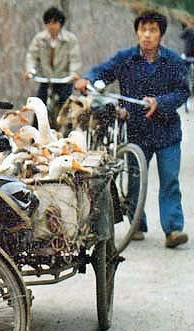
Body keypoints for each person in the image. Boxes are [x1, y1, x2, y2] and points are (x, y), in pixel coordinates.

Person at [74, 10, 189, 248]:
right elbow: (103, 71)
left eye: (152, 30)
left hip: (167, 131)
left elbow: (182, 91)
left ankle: (173, 229)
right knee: (135, 181)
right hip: (137, 130)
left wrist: (160, 102)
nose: (147, 35)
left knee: (170, 181)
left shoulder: (172, 61)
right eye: (143, 30)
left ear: (161, 35)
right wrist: (88, 78)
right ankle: (137, 223)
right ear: (137, 32)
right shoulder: (125, 58)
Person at [24, 6, 82, 110]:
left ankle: (65, 120)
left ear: (60, 23)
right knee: (39, 105)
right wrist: (30, 71)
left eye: (54, 22)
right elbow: (32, 56)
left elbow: (74, 58)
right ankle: (38, 121)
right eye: (48, 22)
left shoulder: (70, 39)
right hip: (46, 78)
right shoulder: (39, 39)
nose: (51, 26)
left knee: (65, 106)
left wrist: (74, 72)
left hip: (63, 79)